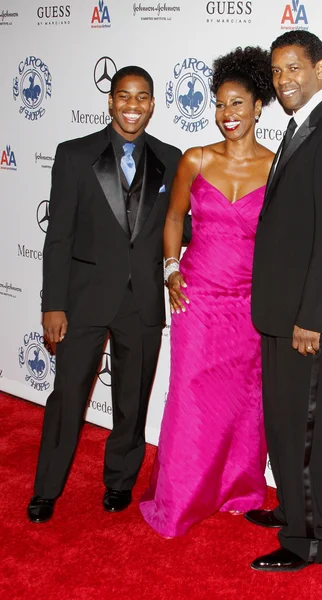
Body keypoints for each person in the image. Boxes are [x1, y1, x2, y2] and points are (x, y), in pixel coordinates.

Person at [27, 65, 190, 523]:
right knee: (67, 397)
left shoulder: (173, 158)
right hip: (83, 299)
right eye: (124, 96)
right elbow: (57, 235)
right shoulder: (75, 155)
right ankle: (46, 489)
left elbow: (182, 223)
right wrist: (52, 304)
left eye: (141, 97)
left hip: (142, 301)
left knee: (133, 400)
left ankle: (119, 480)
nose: (132, 105)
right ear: (110, 101)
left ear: (153, 104)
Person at [139, 47, 276, 537]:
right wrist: (171, 268)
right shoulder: (195, 159)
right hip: (196, 299)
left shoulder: (277, 167)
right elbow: (174, 218)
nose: (227, 115)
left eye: (237, 104)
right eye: (220, 104)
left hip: (249, 305)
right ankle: (180, 496)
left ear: (259, 106)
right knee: (191, 401)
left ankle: (237, 486)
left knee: (244, 401)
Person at [245, 31, 322, 571]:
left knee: (310, 431)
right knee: (287, 423)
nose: (283, 80)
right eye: (275, 71)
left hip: (309, 320)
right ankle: (295, 509)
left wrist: (312, 317)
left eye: (293, 67)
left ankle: (310, 540)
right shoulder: (302, 129)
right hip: (283, 313)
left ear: (321, 68)